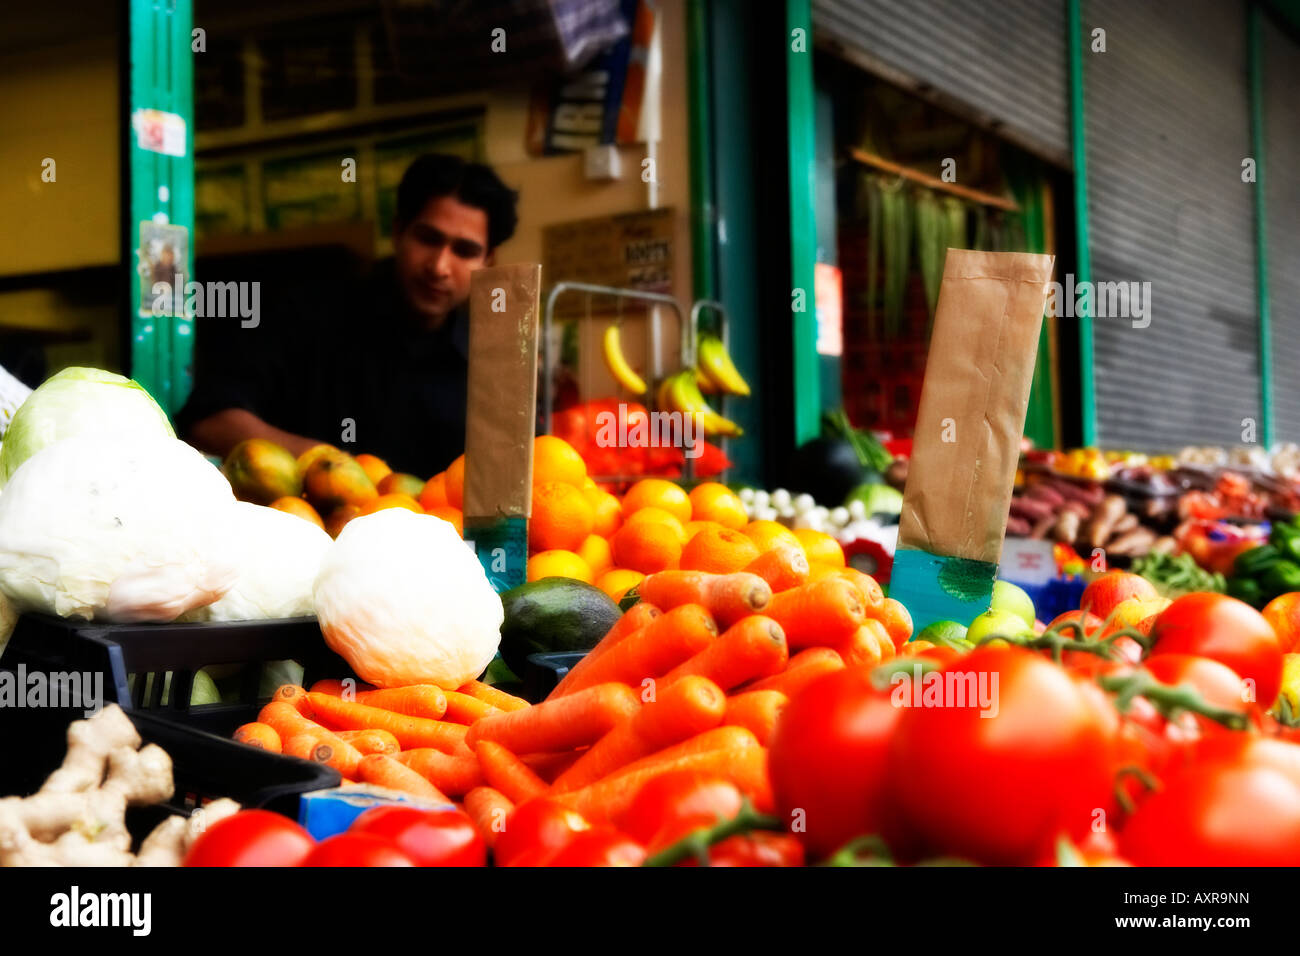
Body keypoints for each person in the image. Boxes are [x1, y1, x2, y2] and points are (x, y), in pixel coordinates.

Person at [178, 154, 519, 478]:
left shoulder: (492, 369)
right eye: (428, 239)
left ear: (488, 260)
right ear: (399, 231)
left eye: (465, 251)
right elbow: (210, 420)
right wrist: (329, 466)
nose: (440, 267)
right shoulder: (307, 313)